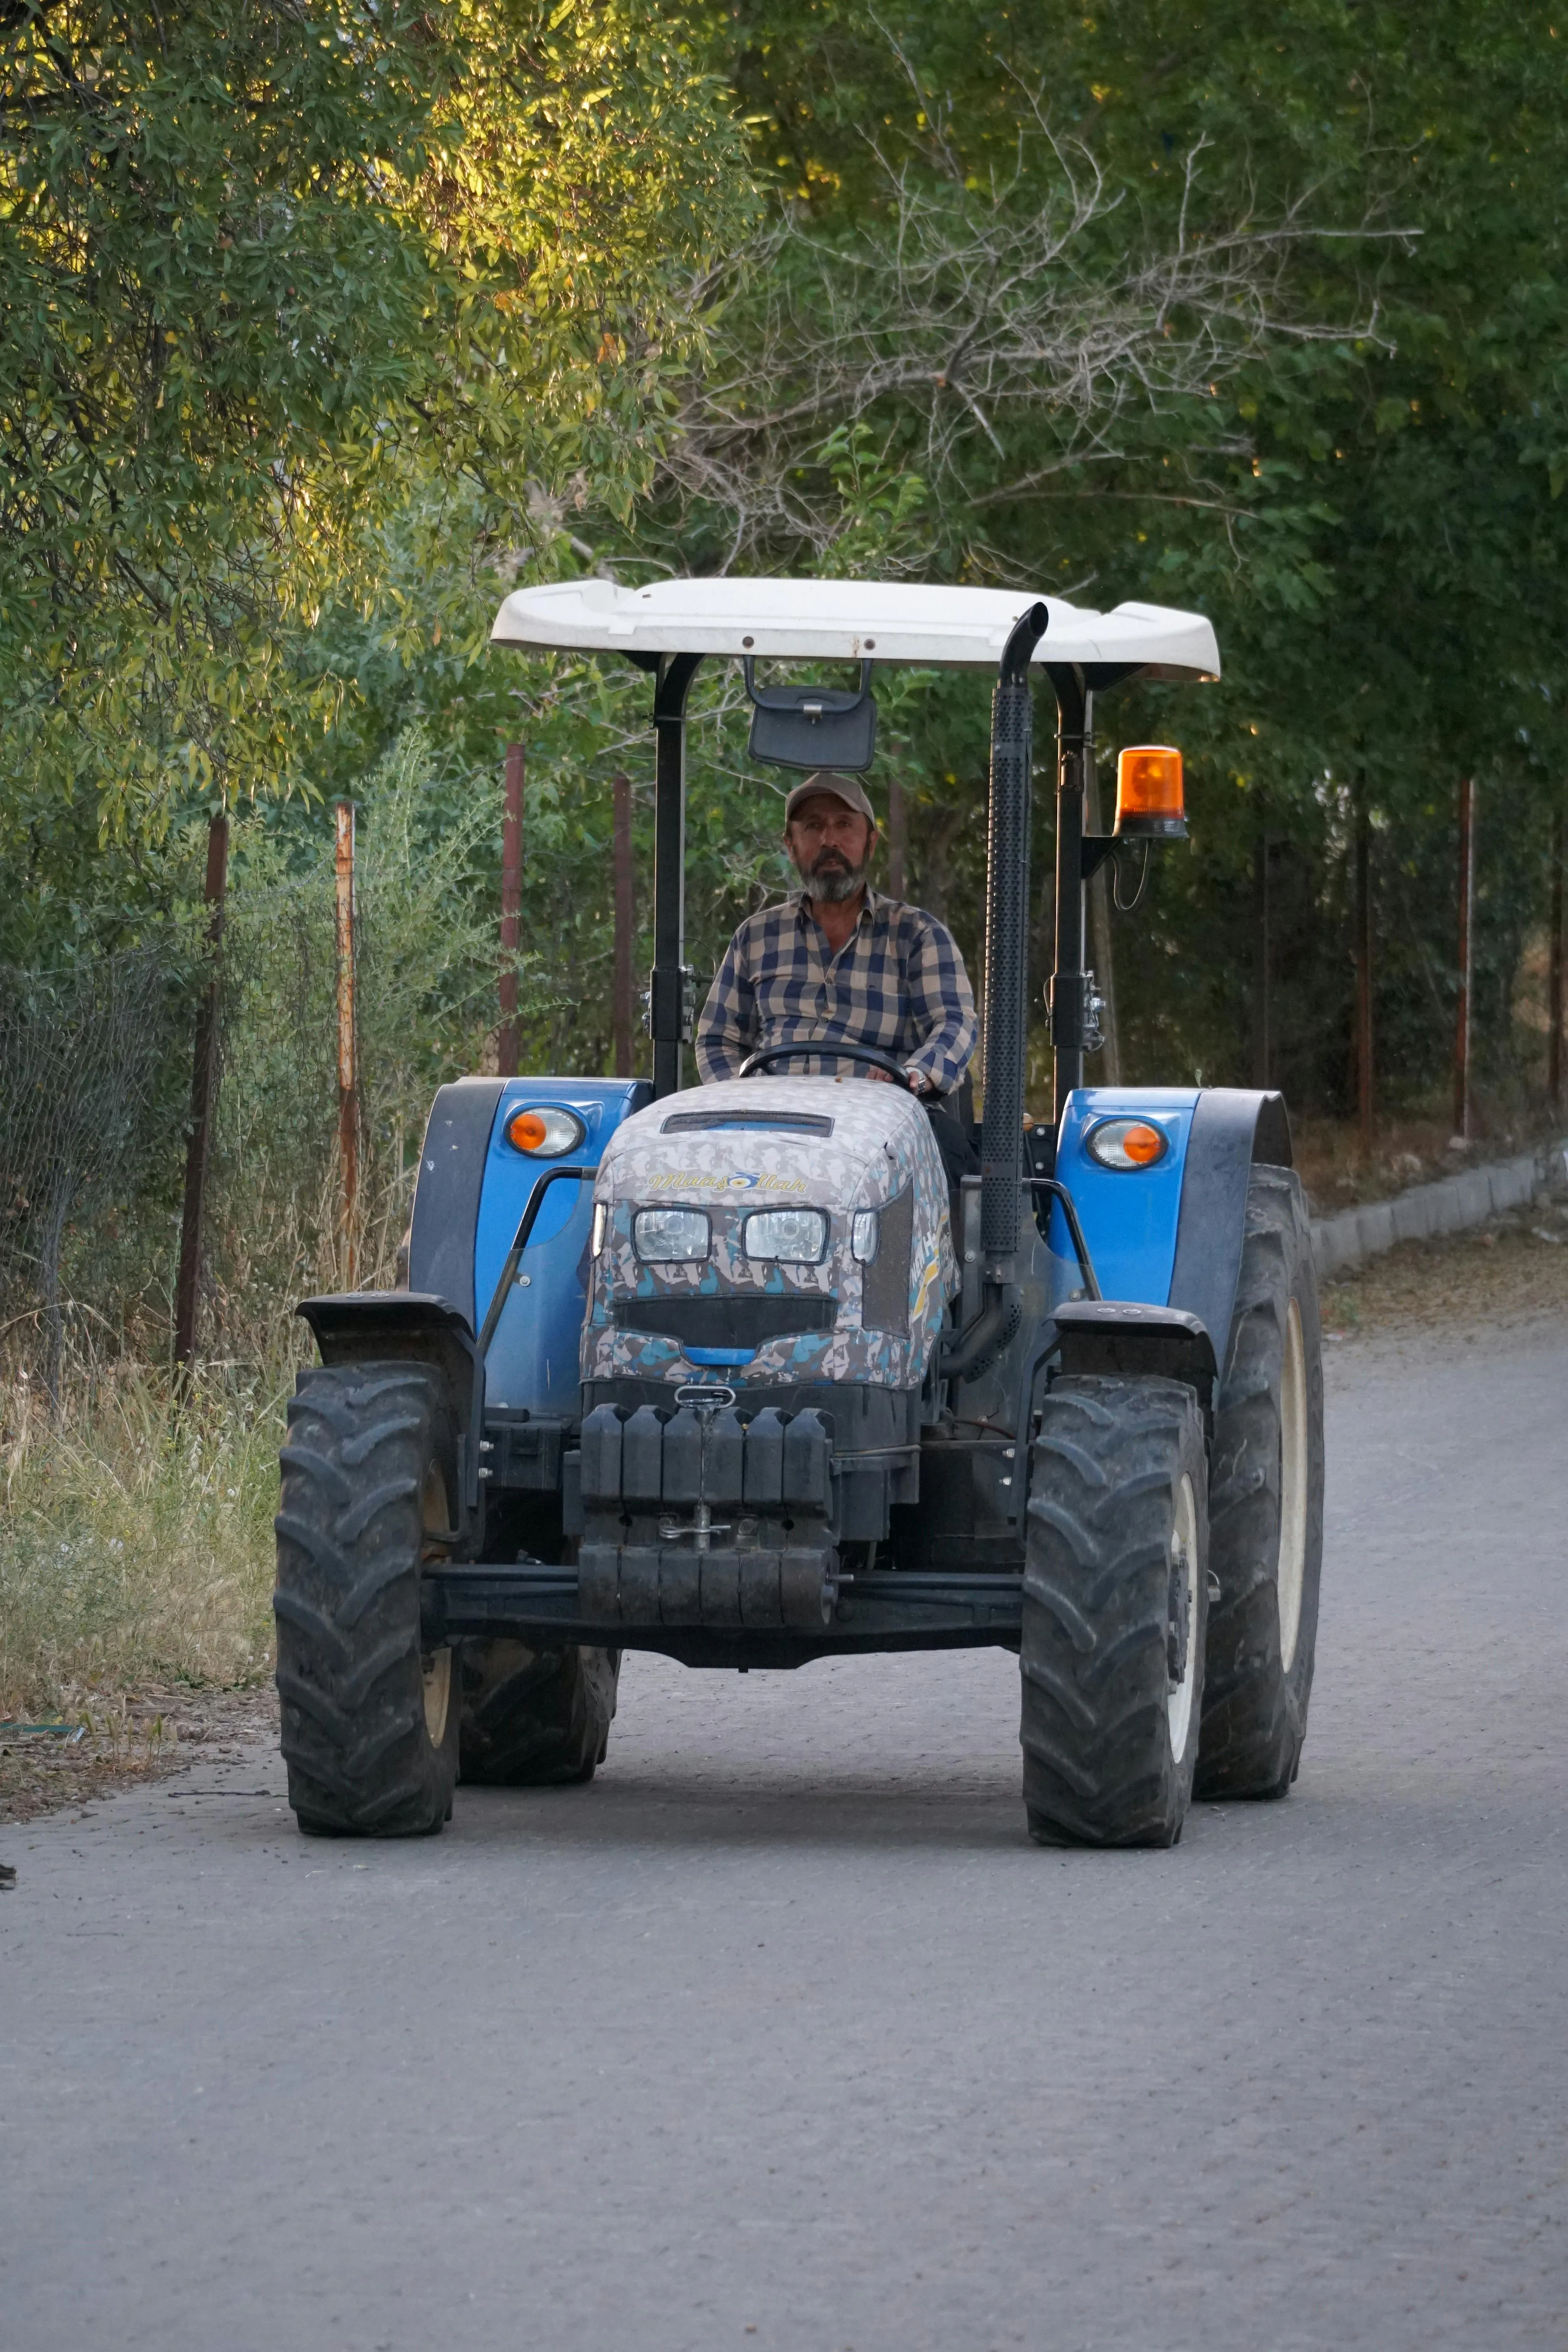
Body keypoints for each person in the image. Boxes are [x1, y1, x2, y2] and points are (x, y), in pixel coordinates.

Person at [694, 770, 980, 1191]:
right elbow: (716, 1038)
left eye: (844, 825)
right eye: (813, 827)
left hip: (881, 1123)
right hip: (772, 1122)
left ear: (870, 841)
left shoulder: (916, 933)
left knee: (951, 1154)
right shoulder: (755, 937)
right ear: (791, 847)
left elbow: (956, 1022)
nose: (829, 840)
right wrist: (742, 1102)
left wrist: (916, 1073)